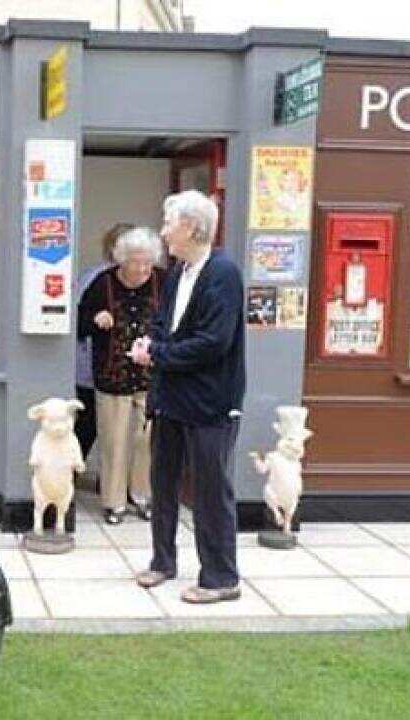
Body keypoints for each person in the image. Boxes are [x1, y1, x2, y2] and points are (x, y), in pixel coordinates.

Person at [130, 190, 245, 604]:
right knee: (163, 482)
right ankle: (163, 561)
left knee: (211, 491)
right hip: (170, 398)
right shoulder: (178, 271)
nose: (162, 231)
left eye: (168, 223)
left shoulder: (224, 273)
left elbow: (214, 342)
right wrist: (151, 342)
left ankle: (221, 577)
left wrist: (157, 354)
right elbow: (165, 323)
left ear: (192, 229)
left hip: (210, 403)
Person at [77, 227, 164, 525]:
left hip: (152, 375)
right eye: (135, 262)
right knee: (114, 441)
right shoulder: (103, 284)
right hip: (111, 375)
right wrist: (95, 319)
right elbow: (77, 324)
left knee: (146, 440)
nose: (141, 269)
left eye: (147, 263)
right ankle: (113, 502)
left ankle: (141, 496)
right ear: (121, 260)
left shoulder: (163, 281)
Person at [73, 223, 130, 482]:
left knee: (103, 427)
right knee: (91, 424)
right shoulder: (97, 278)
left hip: (117, 367)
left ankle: (102, 479)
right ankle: (76, 474)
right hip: (94, 364)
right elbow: (79, 320)